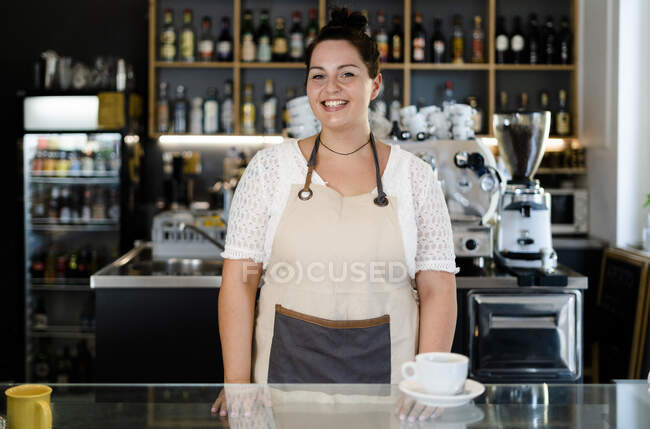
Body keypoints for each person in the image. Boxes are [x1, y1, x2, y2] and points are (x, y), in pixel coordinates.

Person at [212, 7, 458, 422]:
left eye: (347, 73)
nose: (331, 88)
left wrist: (429, 384)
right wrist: (238, 384)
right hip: (280, 390)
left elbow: (437, 289)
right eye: (318, 75)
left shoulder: (414, 177)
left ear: (374, 83)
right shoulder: (270, 169)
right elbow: (239, 283)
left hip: (392, 393)